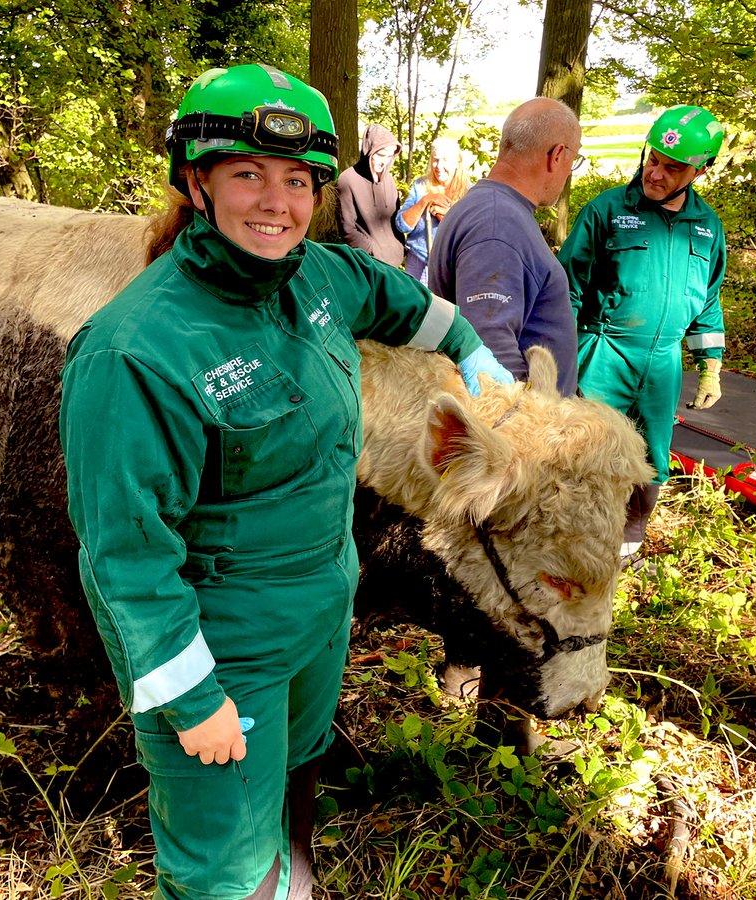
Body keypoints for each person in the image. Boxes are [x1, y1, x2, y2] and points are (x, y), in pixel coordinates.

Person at [58, 64, 512, 900]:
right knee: (221, 871)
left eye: (298, 181)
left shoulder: (316, 277)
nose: (277, 201)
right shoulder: (136, 351)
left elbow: (392, 295)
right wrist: (188, 695)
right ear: (195, 183)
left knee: (299, 789)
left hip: (319, 613)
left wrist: (465, 343)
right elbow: (125, 556)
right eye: (248, 174)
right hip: (225, 648)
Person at [556, 104, 727, 567]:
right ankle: (572, 541)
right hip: (605, 349)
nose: (656, 173)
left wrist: (710, 367)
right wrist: (562, 358)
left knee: (652, 455)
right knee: (585, 450)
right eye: (653, 159)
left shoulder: (707, 227)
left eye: (673, 168)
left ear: (700, 169)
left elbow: (708, 299)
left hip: (663, 362)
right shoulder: (606, 211)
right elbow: (566, 290)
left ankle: (632, 534)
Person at [429, 97, 583, 394]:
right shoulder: (497, 226)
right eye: (573, 161)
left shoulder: (494, 211)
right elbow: (490, 358)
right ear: (557, 155)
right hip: (524, 432)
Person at [395, 137, 469, 284]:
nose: (439, 166)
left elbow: (471, 232)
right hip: (418, 260)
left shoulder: (468, 192)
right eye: (435, 160)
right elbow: (401, 224)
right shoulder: (421, 186)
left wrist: (447, 215)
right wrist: (426, 200)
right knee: (415, 305)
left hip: (452, 265)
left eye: (445, 160)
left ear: (457, 162)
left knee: (446, 306)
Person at [336, 124, 404, 267]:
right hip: (369, 264)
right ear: (369, 151)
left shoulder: (390, 181)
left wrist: (399, 248)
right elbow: (347, 229)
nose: (384, 161)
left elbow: (395, 221)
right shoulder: (347, 180)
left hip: (395, 263)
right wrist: (373, 252)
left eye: (389, 155)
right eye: (380, 155)